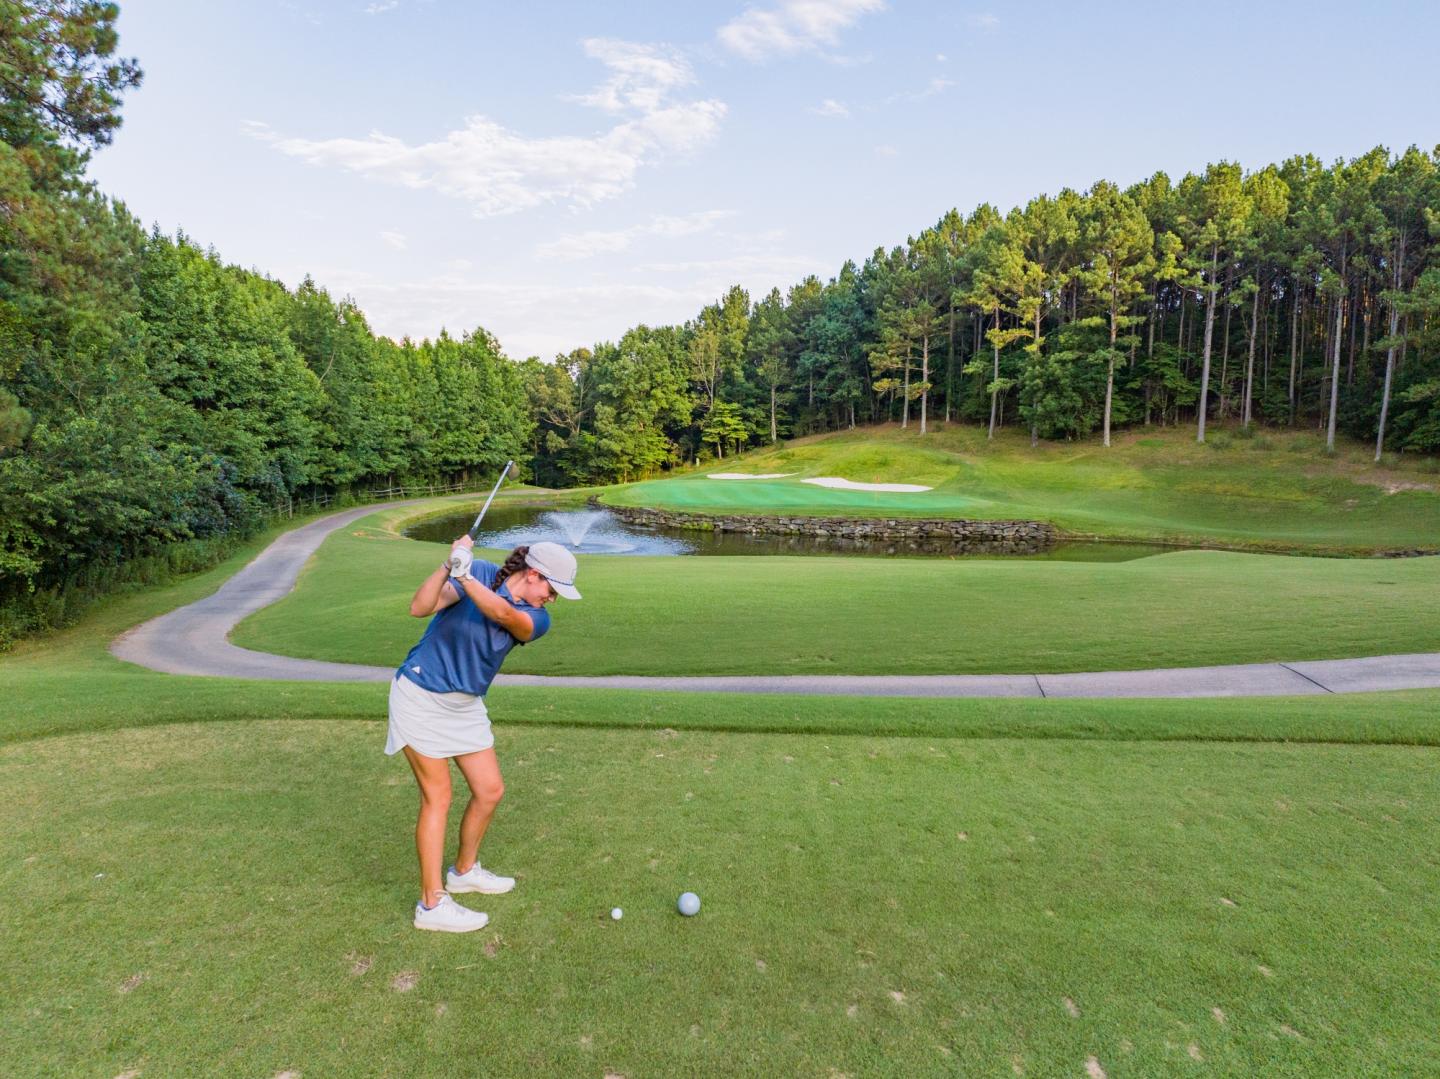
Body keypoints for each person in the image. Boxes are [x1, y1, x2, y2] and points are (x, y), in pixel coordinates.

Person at [387, 537, 581, 932]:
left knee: (490, 790)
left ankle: (463, 871)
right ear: (533, 574)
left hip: (464, 706)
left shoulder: (536, 618)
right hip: (421, 696)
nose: (552, 598)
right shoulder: (479, 572)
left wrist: (464, 575)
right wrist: (449, 565)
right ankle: (432, 903)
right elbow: (419, 607)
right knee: (438, 796)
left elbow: (503, 615)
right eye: (552, 589)